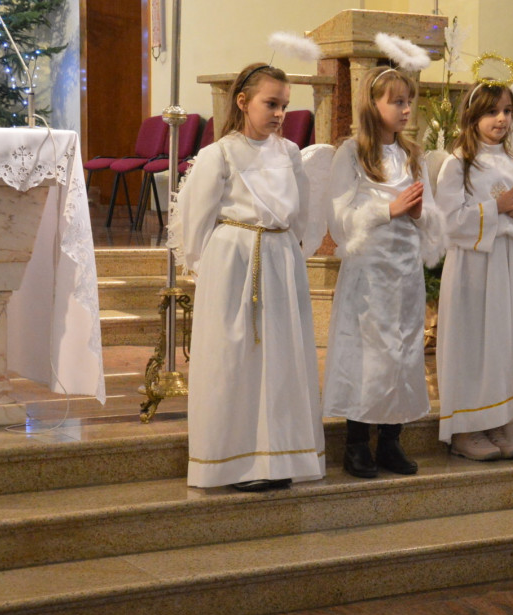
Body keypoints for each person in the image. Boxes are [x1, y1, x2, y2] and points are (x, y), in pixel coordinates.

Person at [171, 63, 324, 491]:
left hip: (278, 261)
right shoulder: (218, 154)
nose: (279, 113)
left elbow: (302, 213)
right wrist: (213, 271)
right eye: (270, 103)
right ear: (243, 102)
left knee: (280, 359)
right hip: (234, 262)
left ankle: (278, 457)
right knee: (237, 361)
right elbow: (194, 222)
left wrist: (286, 256)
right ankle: (236, 461)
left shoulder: (290, 153)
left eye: (284, 106)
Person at [323, 65, 445, 479]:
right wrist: (388, 209)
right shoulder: (352, 153)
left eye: (409, 101)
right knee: (369, 354)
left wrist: (420, 213)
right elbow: (339, 219)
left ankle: (391, 440)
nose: (406, 109)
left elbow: (432, 214)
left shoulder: (412, 155)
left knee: (403, 352)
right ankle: (357, 443)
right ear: (371, 105)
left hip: (405, 270)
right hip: (369, 274)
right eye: (396, 101)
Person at [435, 82, 513, 461]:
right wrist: (495, 207)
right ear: (472, 117)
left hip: (509, 264)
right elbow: (449, 221)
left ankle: (500, 422)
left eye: (507, 111)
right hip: (472, 267)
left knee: (505, 342)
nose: (501, 119)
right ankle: (466, 429)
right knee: (473, 343)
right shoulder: (459, 163)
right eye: (491, 112)